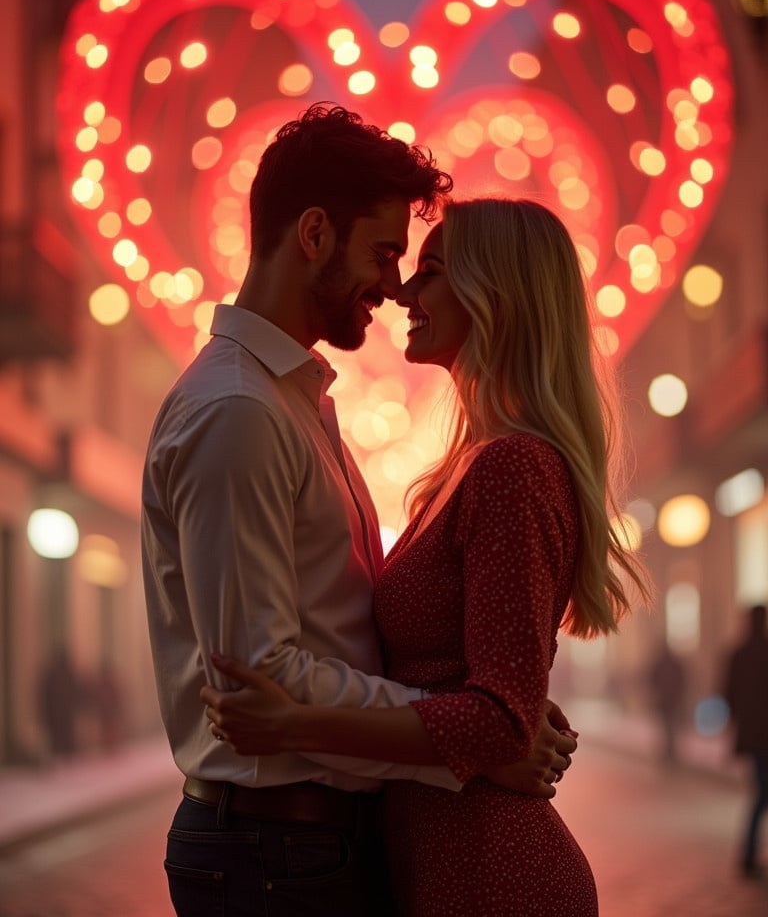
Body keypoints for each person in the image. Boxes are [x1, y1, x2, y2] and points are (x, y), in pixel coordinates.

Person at [141, 107, 578, 917]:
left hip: (307, 847)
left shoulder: (296, 403)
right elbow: (260, 684)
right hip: (277, 849)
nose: (393, 283)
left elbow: (345, 656)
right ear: (313, 234)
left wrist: (482, 726)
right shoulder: (240, 411)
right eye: (382, 252)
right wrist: (466, 744)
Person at [203, 197, 652, 916]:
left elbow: (499, 722)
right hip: (443, 859)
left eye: (432, 271)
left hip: (491, 873)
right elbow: (492, 699)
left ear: (494, 296)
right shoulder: (470, 467)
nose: (404, 291)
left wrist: (292, 724)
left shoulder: (510, 469)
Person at [724, 603, 768, 879]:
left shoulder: (738, 654)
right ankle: (748, 854)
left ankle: (749, 853)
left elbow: (729, 695)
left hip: (751, 736)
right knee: (762, 793)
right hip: (763, 736)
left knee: (760, 792)